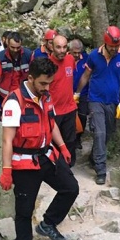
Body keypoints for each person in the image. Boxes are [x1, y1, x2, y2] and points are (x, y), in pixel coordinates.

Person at [0, 57, 79, 240]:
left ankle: (48, 224)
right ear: (31, 78)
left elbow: (51, 124)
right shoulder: (14, 102)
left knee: (71, 187)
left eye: (50, 83)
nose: (47, 87)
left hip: (46, 156)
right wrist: (6, 170)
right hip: (24, 162)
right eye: (43, 83)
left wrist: (62, 146)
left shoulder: (46, 96)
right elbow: (7, 140)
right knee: (25, 208)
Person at [75, 26, 120, 185]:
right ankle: (100, 170)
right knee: (100, 133)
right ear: (105, 43)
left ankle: (93, 157)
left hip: (113, 102)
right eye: (112, 47)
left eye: (117, 46)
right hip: (95, 100)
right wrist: (77, 92)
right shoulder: (94, 55)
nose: (115, 49)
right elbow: (86, 75)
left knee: (107, 133)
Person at [48, 35, 78, 166]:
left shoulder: (71, 59)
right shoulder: (48, 65)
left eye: (64, 47)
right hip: (54, 110)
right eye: (58, 47)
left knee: (71, 139)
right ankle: (57, 166)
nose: (61, 50)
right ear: (52, 47)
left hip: (70, 107)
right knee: (55, 142)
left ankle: (69, 165)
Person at [0, 32, 32, 118]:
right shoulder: (1, 57)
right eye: (12, 47)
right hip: (5, 96)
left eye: (18, 47)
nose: (15, 50)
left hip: (24, 95)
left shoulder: (28, 55)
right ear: (7, 43)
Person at [69, 39, 89, 150]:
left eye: (79, 52)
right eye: (74, 52)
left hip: (83, 93)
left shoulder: (86, 59)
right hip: (67, 93)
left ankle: (78, 138)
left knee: (82, 116)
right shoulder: (65, 59)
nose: (77, 55)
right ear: (70, 50)